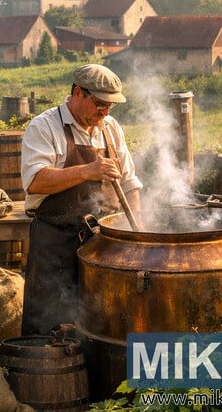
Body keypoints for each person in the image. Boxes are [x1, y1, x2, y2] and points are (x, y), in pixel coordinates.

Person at [20, 64, 142, 335]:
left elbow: (130, 183)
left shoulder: (110, 127)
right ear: (78, 93)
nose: (105, 112)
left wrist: (138, 235)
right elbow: (35, 181)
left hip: (103, 246)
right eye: (99, 104)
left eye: (111, 106)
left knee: (101, 325)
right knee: (50, 328)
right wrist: (89, 170)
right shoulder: (44, 127)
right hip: (56, 244)